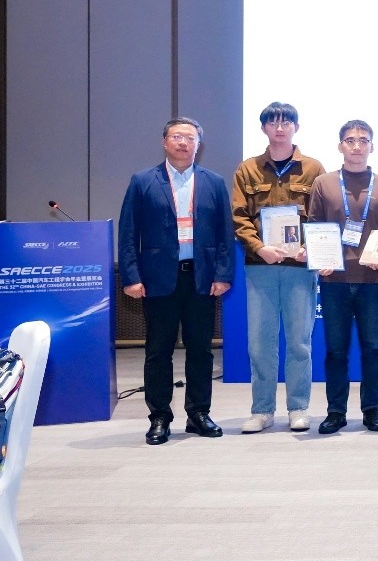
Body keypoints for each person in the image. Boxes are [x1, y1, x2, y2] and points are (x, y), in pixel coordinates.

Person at [119, 117, 234, 445]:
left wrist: (223, 274)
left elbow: (225, 234)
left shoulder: (213, 182)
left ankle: (198, 413)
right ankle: (159, 417)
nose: (183, 142)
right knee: (158, 351)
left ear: (199, 144)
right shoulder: (143, 181)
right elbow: (128, 233)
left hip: (201, 278)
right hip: (158, 279)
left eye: (190, 138)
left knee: (201, 351)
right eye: (177, 137)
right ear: (165, 142)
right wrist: (131, 276)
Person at [232, 102, 326, 433]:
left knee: (299, 341)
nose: (280, 128)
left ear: (296, 127)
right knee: (260, 343)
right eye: (273, 123)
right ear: (264, 128)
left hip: (300, 268)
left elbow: (322, 214)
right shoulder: (248, 169)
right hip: (261, 267)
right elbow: (239, 217)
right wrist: (260, 247)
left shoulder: (313, 168)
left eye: (287, 122)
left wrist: (310, 248)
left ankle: (298, 407)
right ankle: (262, 410)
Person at [307, 120, 378, 434]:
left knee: (373, 348)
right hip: (334, 280)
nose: (357, 146)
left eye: (363, 140)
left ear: (372, 146)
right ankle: (336, 411)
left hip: (373, 280)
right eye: (350, 140)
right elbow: (314, 225)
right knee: (336, 350)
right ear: (340, 146)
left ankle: (372, 410)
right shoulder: (323, 183)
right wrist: (320, 258)